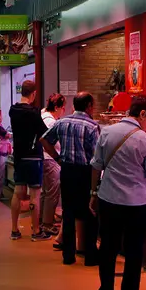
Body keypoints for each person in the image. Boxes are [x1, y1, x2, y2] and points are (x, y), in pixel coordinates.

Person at [90, 95, 146, 290]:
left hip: (109, 199)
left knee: (108, 249)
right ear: (142, 114)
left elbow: (96, 166)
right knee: (134, 251)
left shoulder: (108, 132)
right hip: (139, 204)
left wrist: (93, 193)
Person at [40, 92, 100, 266]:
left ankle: (68, 256)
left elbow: (44, 140)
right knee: (89, 213)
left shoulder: (62, 122)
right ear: (89, 105)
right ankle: (90, 256)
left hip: (66, 170)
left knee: (68, 211)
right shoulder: (92, 126)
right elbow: (96, 157)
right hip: (85, 173)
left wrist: (58, 157)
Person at [9, 80, 51, 242]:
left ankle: (14, 229)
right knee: (34, 194)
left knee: (18, 193)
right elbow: (44, 133)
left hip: (19, 156)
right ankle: (36, 231)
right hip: (33, 157)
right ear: (33, 94)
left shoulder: (13, 110)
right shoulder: (34, 113)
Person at [40, 93, 66, 236]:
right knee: (52, 193)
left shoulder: (42, 116)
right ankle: (47, 224)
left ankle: (41, 219)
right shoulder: (51, 122)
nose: (63, 111)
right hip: (50, 159)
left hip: (42, 159)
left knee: (45, 192)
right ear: (56, 107)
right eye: (62, 108)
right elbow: (52, 142)